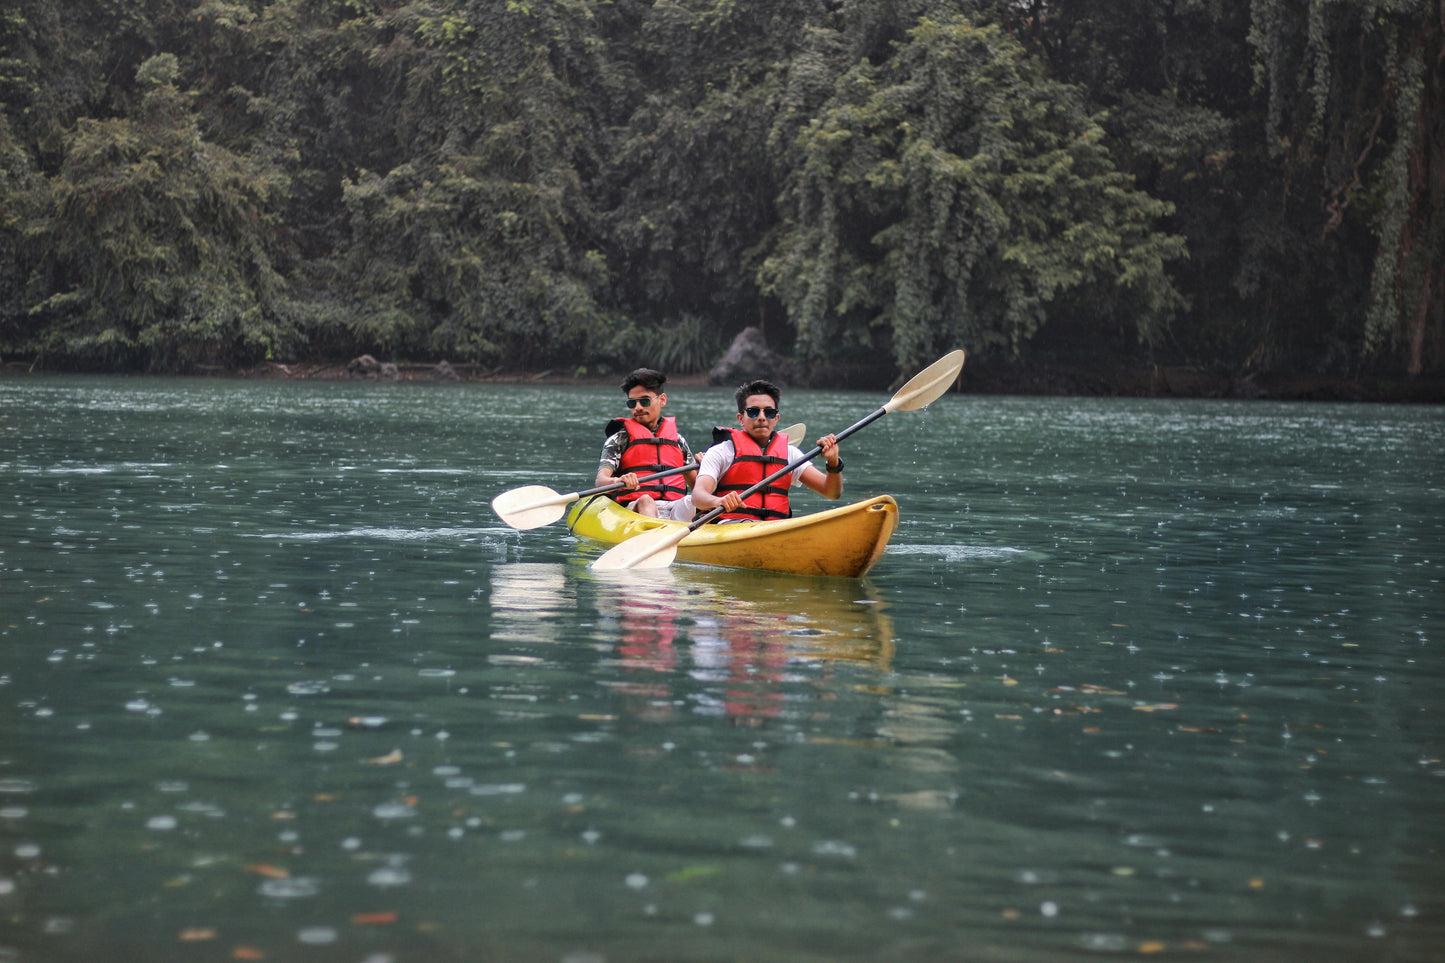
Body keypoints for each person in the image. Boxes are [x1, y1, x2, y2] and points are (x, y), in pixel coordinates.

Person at [692, 379, 842, 521]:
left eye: (769, 412)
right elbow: (698, 496)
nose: (762, 417)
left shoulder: (790, 454)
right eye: (753, 412)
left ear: (776, 418)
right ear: (740, 419)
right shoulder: (722, 452)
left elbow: (831, 492)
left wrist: (833, 462)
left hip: (776, 527)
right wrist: (718, 501)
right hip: (730, 526)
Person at [595, 368, 697, 520]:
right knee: (646, 500)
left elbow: (697, 485)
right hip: (635, 508)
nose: (638, 408)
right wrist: (618, 481)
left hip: (674, 506)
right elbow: (601, 481)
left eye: (644, 401)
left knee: (692, 501)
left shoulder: (678, 440)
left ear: (662, 400)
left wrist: (708, 468)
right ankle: (652, 534)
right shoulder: (619, 439)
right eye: (632, 403)